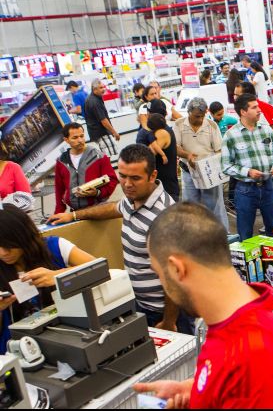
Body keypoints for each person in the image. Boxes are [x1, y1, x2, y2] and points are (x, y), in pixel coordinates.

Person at [133, 203, 273, 408]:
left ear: (176, 269)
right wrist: (196, 390)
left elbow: (247, 379)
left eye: (158, 273)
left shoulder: (249, 360)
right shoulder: (270, 297)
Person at [47, 144, 189, 333]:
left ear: (153, 176)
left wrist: (170, 321)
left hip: (165, 314)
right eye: (123, 176)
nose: (127, 184)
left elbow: (176, 278)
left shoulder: (165, 218)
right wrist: (73, 216)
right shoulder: (132, 200)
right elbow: (112, 208)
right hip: (139, 305)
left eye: (135, 178)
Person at [0, 205, 96, 353]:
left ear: (23, 235)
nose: (3, 253)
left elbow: (99, 268)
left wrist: (59, 276)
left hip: (71, 337)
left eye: (9, 245)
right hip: (18, 349)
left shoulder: (54, 247)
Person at [222, 94, 273, 241]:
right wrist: (247, 172)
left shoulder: (266, 130)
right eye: (254, 107)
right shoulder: (231, 135)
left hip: (268, 187)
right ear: (243, 112)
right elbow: (226, 166)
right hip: (245, 190)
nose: (259, 110)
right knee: (245, 234)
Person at [233, 82, 273, 222]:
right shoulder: (238, 113)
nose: (234, 98)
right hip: (250, 175)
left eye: (237, 95)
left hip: (269, 168)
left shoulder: (265, 108)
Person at [173, 98, 228, 228]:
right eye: (197, 116)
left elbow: (219, 149)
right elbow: (174, 147)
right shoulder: (179, 125)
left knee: (215, 206)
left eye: (202, 116)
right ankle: (195, 237)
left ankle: (221, 236)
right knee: (191, 207)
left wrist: (213, 164)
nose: (200, 119)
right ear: (189, 112)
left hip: (209, 172)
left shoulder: (211, 125)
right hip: (188, 171)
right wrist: (187, 155)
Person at [54, 122, 118, 215]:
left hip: (98, 209)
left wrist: (97, 193)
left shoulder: (99, 156)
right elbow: (59, 190)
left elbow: (112, 180)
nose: (80, 140)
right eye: (75, 137)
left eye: (82, 136)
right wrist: (58, 213)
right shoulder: (61, 161)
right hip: (75, 212)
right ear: (66, 140)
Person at [84, 78, 120, 157]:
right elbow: (103, 120)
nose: (103, 89)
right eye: (100, 88)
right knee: (106, 155)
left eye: (103, 87)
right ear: (94, 89)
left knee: (107, 154)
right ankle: (105, 169)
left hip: (98, 132)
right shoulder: (94, 102)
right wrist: (114, 132)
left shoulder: (94, 98)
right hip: (100, 132)